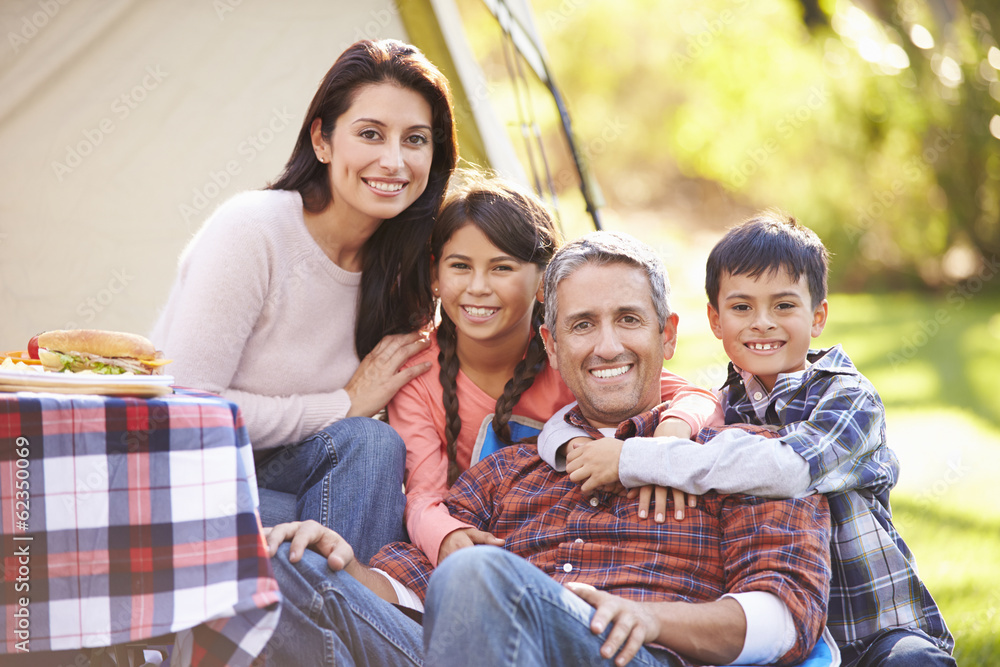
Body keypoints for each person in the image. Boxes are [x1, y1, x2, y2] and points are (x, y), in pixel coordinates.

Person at [261, 231, 833, 667]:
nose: (607, 346)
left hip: (634, 654)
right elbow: (408, 585)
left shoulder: (743, 458)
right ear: (552, 346)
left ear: (668, 334)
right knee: (284, 568)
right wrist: (340, 561)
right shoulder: (509, 471)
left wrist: (649, 620)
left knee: (477, 573)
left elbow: (786, 615)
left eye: (628, 319)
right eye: (582, 325)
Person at [539, 212, 954, 666]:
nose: (762, 323)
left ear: (818, 316)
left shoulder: (849, 398)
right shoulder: (723, 403)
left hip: (874, 629)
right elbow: (635, 409)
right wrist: (567, 445)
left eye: (783, 306)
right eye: (741, 308)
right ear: (715, 320)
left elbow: (788, 469)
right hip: (791, 631)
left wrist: (639, 458)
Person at [152, 39, 458, 562]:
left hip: (299, 485)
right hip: (183, 476)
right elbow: (184, 406)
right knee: (356, 471)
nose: (394, 161)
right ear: (322, 139)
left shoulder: (412, 269)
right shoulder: (254, 230)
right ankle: (357, 630)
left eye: (415, 140)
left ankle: (334, 626)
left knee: (372, 455)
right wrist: (340, 406)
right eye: (370, 134)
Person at [388, 174, 721, 566]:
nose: (478, 286)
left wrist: (671, 431)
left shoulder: (570, 353)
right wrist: (445, 537)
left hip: (571, 535)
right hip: (483, 541)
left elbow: (694, 396)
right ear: (435, 276)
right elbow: (422, 494)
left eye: (501, 268)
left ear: (544, 284)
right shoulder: (418, 376)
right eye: (461, 266)